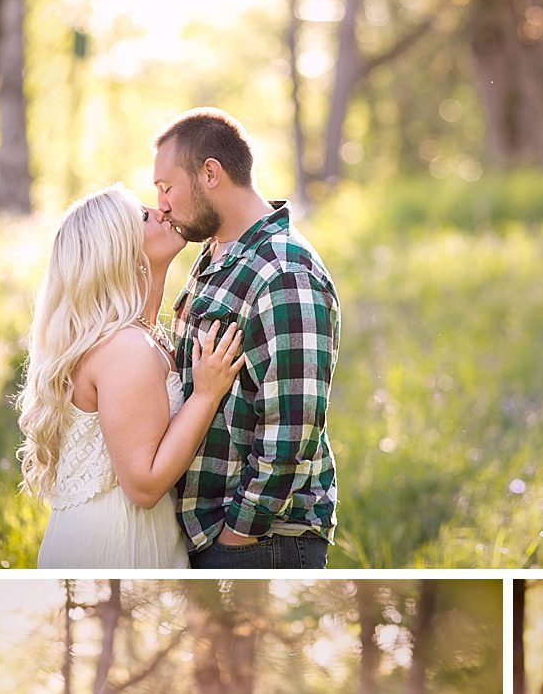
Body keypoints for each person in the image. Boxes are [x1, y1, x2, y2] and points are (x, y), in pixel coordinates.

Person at [18, 183, 245, 568]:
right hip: (115, 545)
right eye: (142, 216)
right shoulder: (126, 348)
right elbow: (143, 485)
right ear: (120, 251)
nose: (161, 211)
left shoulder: (138, 337)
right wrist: (206, 396)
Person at [152, 107, 340, 569]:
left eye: (166, 187)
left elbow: (293, 426)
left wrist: (238, 534)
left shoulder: (285, 272)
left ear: (210, 173)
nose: (162, 204)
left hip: (261, 541)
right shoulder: (217, 254)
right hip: (214, 533)